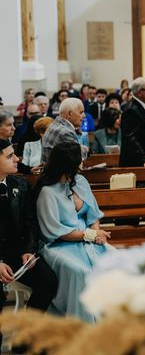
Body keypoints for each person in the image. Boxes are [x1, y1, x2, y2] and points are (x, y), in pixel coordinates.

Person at [35, 142, 111, 322]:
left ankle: (110, 325)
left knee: (112, 263)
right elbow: (53, 231)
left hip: (87, 238)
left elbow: (93, 214)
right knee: (81, 271)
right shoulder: (47, 192)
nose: (82, 163)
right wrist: (90, 235)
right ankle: (83, 324)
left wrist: (97, 232)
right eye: (79, 160)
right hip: (59, 244)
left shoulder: (81, 182)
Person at [0, 139, 57, 348]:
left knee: (48, 281)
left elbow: (30, 223)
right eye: (9, 156)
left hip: (16, 252)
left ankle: (23, 339)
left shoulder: (20, 184)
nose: (17, 159)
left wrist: (29, 251)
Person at [119, 77, 145, 171]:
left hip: (144, 159)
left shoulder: (142, 106)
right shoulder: (131, 110)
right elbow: (130, 138)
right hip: (135, 162)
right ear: (140, 92)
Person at [41, 98, 85, 164]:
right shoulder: (66, 132)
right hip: (59, 173)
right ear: (70, 113)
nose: (84, 116)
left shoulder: (55, 125)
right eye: (81, 112)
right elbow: (77, 159)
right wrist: (85, 150)